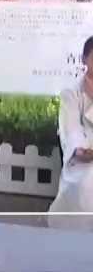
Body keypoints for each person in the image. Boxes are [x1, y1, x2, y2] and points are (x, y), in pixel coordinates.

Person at [49, 36, 93, 230]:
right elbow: (71, 128)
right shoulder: (71, 92)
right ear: (84, 59)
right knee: (87, 181)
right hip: (82, 155)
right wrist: (81, 150)